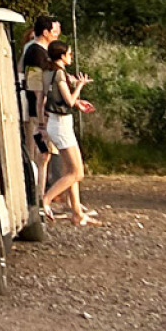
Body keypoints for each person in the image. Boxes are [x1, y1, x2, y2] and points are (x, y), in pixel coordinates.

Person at [41, 38, 97, 225]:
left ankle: (77, 212)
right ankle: (46, 199)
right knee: (77, 172)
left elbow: (49, 99)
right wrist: (80, 85)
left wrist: (78, 104)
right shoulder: (58, 74)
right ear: (62, 56)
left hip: (56, 122)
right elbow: (69, 100)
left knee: (70, 170)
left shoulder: (47, 72)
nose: (71, 57)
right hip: (61, 125)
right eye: (69, 54)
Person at [18, 14, 60, 200]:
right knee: (39, 154)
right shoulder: (35, 53)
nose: (57, 35)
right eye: (54, 31)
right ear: (45, 32)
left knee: (44, 156)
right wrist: (41, 115)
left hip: (40, 109)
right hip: (37, 111)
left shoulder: (40, 52)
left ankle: (40, 196)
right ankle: (36, 197)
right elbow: (35, 85)